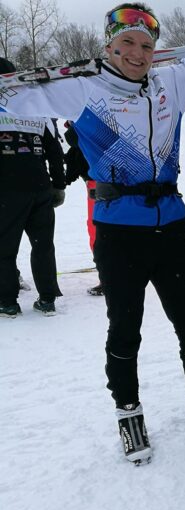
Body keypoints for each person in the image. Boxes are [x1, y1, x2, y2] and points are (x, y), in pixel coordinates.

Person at [0, 2, 185, 463]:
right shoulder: (82, 89)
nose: (138, 53)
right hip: (119, 230)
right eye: (127, 44)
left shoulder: (171, 83)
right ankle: (129, 415)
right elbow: (13, 99)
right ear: (109, 46)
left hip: (171, 224)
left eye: (147, 45)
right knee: (126, 327)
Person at [0, 58, 66, 318]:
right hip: (40, 188)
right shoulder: (35, 106)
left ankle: (7, 301)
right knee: (43, 245)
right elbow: (55, 150)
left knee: (4, 247)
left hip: (7, 191)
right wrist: (58, 185)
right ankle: (47, 298)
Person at [63, 120, 103, 296]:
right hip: (103, 184)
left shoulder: (86, 133)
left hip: (99, 186)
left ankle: (108, 277)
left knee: (98, 232)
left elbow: (73, 139)